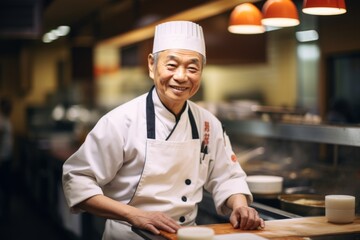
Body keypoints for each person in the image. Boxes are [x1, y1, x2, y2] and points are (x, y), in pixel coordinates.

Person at [62, 20, 264, 240]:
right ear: (152, 65)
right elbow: (77, 179)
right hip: (130, 235)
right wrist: (134, 215)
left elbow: (227, 176)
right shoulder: (121, 121)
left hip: (187, 235)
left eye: (192, 68)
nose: (181, 76)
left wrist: (240, 206)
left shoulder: (208, 123)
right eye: (172, 65)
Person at [0, 97, 13, 221]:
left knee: (6, 185)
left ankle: (6, 210)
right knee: (4, 185)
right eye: (8, 106)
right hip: (2, 158)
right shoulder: (1, 120)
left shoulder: (6, 119)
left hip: (7, 156)